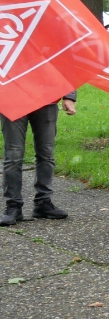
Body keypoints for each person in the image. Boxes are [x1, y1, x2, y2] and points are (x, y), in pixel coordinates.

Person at [2, 91, 76, 226]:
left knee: (46, 154)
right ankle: (13, 206)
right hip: (12, 100)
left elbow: (65, 70)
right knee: (13, 155)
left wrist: (69, 97)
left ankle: (43, 202)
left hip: (46, 100)